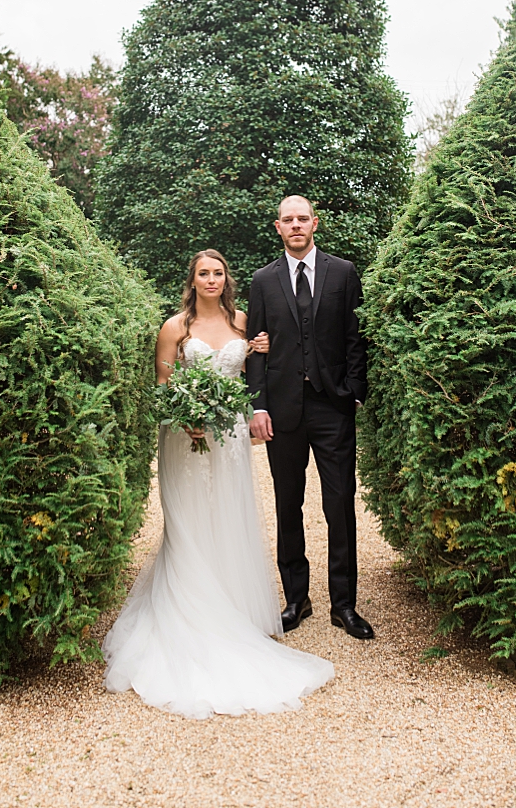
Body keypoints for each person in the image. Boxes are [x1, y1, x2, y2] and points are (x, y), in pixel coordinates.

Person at [102, 250, 333, 718]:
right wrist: (184, 418)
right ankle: (188, 612)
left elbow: (254, 373)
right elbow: (163, 387)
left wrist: (259, 352)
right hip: (184, 439)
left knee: (228, 516)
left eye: (218, 273)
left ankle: (232, 610)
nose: (211, 279)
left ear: (226, 279)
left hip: (226, 436)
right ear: (192, 280)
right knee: (188, 520)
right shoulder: (174, 328)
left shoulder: (243, 321)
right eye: (203, 273)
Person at [246, 196, 373, 640]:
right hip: (282, 410)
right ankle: (296, 600)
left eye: (303, 219)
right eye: (288, 220)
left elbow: (356, 337)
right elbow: (255, 346)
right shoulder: (262, 281)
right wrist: (258, 405)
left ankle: (344, 605)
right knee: (287, 504)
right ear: (277, 227)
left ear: (314, 223)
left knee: (339, 504)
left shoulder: (343, 272)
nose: (296, 226)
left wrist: (354, 393)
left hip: (333, 406)